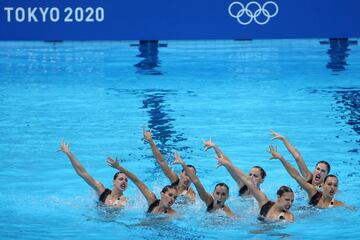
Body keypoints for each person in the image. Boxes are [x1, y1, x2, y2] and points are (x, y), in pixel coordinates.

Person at [215, 154, 294, 221]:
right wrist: (226, 163)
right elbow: (246, 179)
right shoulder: (264, 202)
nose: (290, 203)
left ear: (262, 180)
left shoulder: (287, 217)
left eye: (292, 201)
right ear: (278, 197)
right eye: (287, 200)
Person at [268, 145, 344, 208]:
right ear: (324, 184)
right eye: (317, 169)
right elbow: (296, 174)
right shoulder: (313, 191)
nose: (332, 187)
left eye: (335, 185)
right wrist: (281, 158)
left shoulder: (335, 203)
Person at [58, 139, 128, 208]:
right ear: (113, 182)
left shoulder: (124, 201)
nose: (124, 181)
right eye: (121, 179)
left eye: (126, 180)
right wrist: (68, 153)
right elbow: (83, 173)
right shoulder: (101, 190)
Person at [172, 152, 235, 217]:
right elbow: (196, 182)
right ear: (213, 194)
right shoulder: (208, 201)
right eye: (217, 193)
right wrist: (183, 164)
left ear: (228, 196)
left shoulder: (227, 212)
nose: (220, 197)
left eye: (223, 194)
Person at [107, 157, 177, 214]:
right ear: (162, 194)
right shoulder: (152, 200)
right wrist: (119, 167)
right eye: (170, 195)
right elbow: (136, 181)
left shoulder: (172, 214)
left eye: (175, 197)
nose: (172, 199)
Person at [143, 129, 196, 202]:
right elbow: (161, 162)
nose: (188, 178)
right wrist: (150, 141)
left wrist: (189, 199)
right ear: (181, 174)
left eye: (191, 176)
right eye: (186, 174)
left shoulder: (190, 193)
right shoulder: (174, 179)